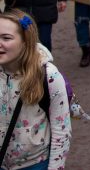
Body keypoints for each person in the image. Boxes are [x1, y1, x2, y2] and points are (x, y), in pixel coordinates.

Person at [0, 9, 71, 170]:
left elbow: (61, 131)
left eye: (6, 38)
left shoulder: (48, 75)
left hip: (35, 164)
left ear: (25, 41)